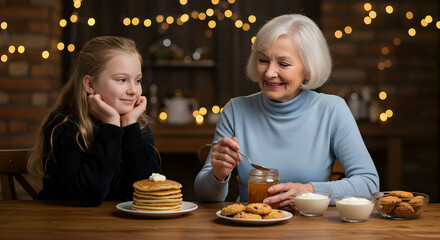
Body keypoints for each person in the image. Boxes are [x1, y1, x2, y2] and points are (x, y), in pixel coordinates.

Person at [194, 14, 379, 211]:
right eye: (263, 60)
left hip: (310, 229)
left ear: (308, 70)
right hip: (252, 226)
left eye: (283, 64)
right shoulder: (235, 110)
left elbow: (368, 184)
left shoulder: (332, 110)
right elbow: (204, 194)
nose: (269, 73)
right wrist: (218, 174)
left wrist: (309, 191)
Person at [27, 36, 162, 206]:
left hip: (119, 228)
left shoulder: (136, 125)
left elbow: (150, 192)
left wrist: (130, 126)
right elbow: (90, 195)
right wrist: (111, 124)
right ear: (90, 84)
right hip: (65, 226)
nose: (133, 90)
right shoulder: (63, 125)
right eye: (121, 80)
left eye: (138, 80)